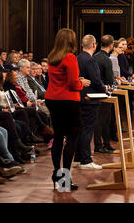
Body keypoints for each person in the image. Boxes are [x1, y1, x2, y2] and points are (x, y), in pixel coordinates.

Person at [45, 28, 90, 191]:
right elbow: (72, 84)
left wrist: (76, 80)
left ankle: (57, 172)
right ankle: (65, 179)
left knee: (58, 137)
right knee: (72, 137)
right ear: (72, 41)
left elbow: (60, 79)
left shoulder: (52, 57)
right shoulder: (70, 57)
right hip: (68, 100)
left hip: (52, 99)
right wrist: (81, 83)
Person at [74, 35, 106, 170]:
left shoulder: (77, 58)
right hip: (90, 99)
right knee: (87, 129)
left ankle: (78, 158)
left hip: (78, 98)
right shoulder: (90, 60)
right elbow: (96, 80)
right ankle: (86, 160)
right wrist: (105, 89)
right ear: (94, 45)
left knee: (80, 129)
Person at [93, 35, 117, 153]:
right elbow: (109, 79)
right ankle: (100, 145)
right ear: (111, 45)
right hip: (104, 92)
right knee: (103, 120)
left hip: (94, 92)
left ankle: (104, 144)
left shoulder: (94, 57)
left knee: (102, 119)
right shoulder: (106, 59)